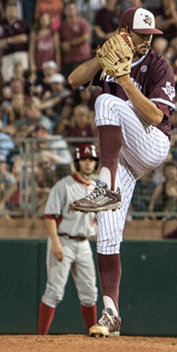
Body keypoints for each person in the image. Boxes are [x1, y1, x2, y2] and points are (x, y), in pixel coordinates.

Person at [67, 6, 173, 337]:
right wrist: (102, 60)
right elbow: (74, 80)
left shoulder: (158, 65)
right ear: (124, 33)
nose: (148, 41)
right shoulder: (113, 56)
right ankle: (110, 313)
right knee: (107, 236)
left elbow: (156, 118)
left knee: (106, 103)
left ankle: (106, 185)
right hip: (124, 157)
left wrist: (123, 80)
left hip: (152, 144)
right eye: (143, 35)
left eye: (151, 36)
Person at [37, 144, 100, 335]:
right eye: (84, 159)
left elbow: (96, 219)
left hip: (83, 243)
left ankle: (93, 332)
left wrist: (93, 231)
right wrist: (55, 243)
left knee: (90, 294)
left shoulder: (97, 188)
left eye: (91, 160)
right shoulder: (63, 186)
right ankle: (41, 336)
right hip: (63, 240)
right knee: (54, 292)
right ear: (77, 162)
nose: (88, 163)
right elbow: (49, 217)